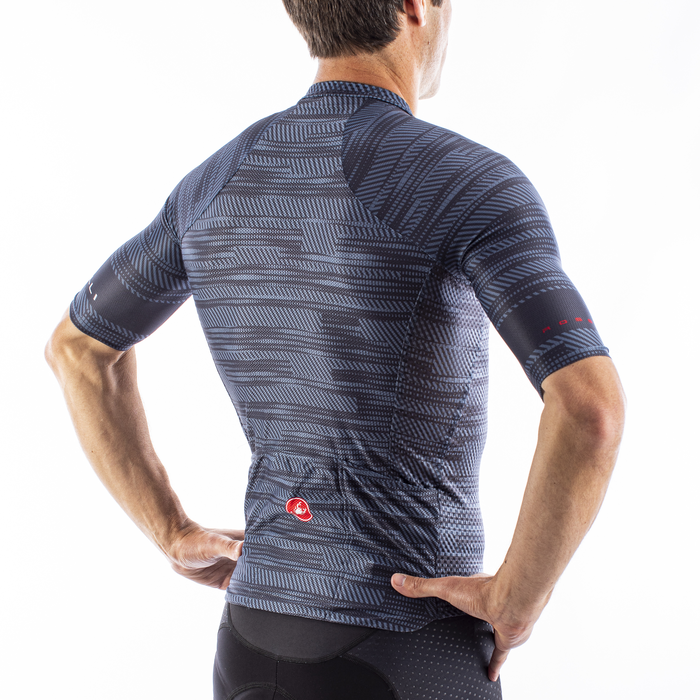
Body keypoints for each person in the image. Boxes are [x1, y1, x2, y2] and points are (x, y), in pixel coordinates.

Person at [46, 0, 626, 698]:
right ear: (416, 6)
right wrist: (517, 600)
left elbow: (78, 348)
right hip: (408, 646)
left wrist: (171, 531)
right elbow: (588, 408)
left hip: (250, 640)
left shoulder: (211, 185)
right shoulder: (466, 182)